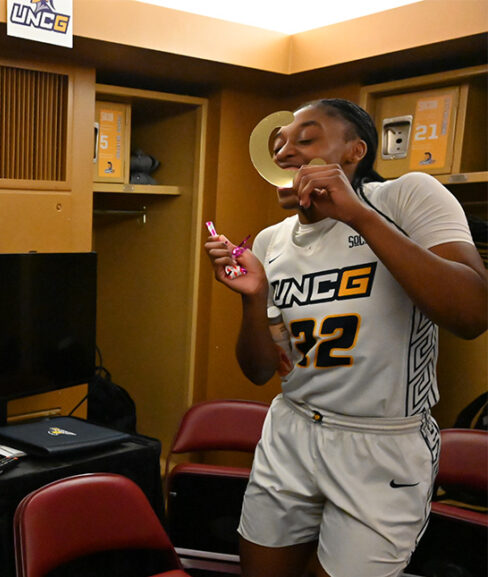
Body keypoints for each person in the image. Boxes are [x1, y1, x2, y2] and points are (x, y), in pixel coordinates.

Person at [204, 99, 487, 577]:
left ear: (356, 151)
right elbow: (264, 369)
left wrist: (358, 215)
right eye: (279, 144)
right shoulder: (272, 241)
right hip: (290, 431)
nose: (285, 150)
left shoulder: (405, 197)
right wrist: (253, 300)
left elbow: (473, 313)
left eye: (306, 139)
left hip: (381, 443)